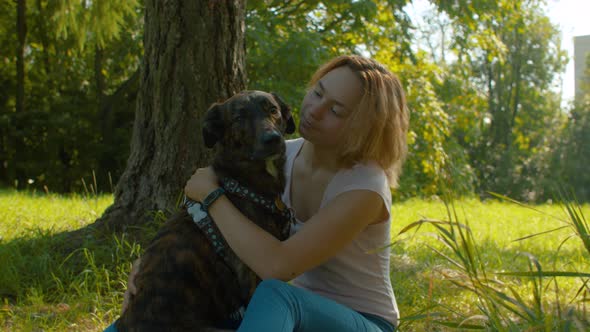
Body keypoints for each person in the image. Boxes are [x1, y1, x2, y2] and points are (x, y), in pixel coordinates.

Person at [118, 54, 409, 332]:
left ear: (363, 128)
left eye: (335, 110)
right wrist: (151, 268)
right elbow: (214, 234)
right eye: (318, 93)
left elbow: (276, 266)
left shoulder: (365, 186)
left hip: (358, 322)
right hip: (286, 316)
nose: (314, 110)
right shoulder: (280, 156)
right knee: (146, 320)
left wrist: (211, 195)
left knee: (273, 292)